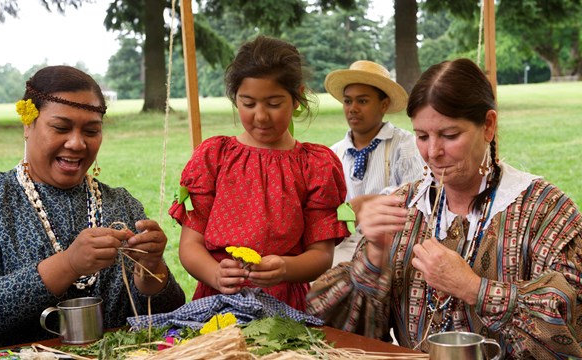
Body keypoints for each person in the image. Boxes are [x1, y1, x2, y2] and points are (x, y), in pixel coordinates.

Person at [306, 58, 582, 358]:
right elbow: (345, 331)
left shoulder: (545, 211)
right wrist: (374, 258)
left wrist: (475, 288)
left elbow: (569, 317)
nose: (433, 153)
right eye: (422, 136)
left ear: (488, 125)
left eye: (450, 135)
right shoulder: (404, 207)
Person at [0, 66, 185, 355]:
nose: (77, 143)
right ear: (28, 125)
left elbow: (167, 314)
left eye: (91, 131)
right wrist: (68, 264)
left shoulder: (122, 204)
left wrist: (152, 271)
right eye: (61, 128)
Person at [169, 35, 350, 312]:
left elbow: (321, 256)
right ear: (235, 99)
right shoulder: (214, 157)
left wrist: (286, 267)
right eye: (248, 103)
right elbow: (190, 246)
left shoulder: (316, 166)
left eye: (274, 103)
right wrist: (215, 274)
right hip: (216, 301)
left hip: (283, 308)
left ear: (297, 97)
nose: (261, 116)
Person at [325, 61, 425, 266]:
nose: (352, 109)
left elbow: (418, 197)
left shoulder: (403, 146)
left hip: (390, 244)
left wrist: (369, 202)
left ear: (384, 104)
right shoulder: (335, 153)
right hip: (343, 245)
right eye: (347, 101)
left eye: (362, 101)